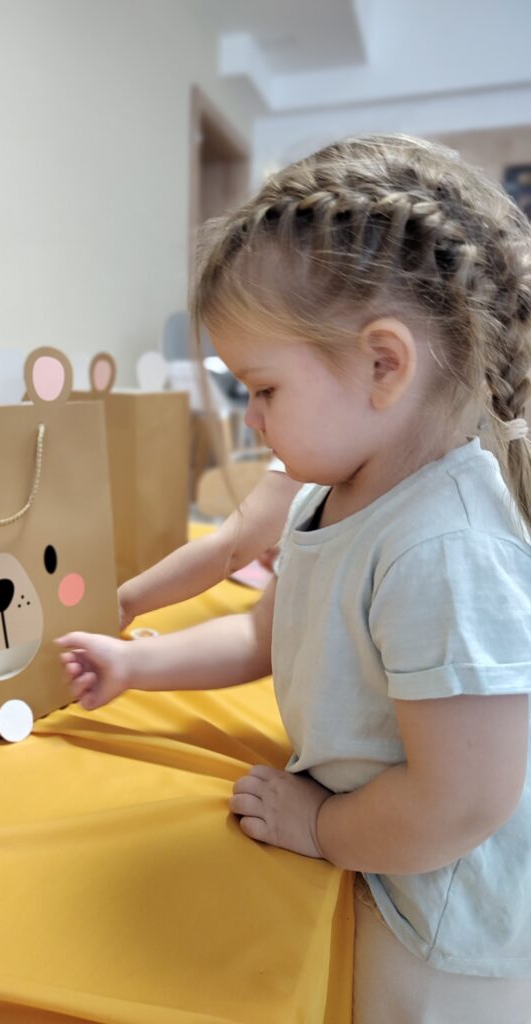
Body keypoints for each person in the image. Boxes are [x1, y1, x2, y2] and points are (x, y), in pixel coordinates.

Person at [56, 134, 531, 1022]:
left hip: (445, 932)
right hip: (379, 855)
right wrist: (133, 664)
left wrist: (318, 826)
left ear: (383, 366)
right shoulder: (331, 492)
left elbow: (460, 804)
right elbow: (261, 631)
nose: (253, 420)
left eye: (264, 390)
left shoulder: (443, 550)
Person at [117, 465, 301, 629]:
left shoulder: (297, 464)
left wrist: (125, 603)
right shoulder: (297, 466)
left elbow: (229, 550)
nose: (252, 425)